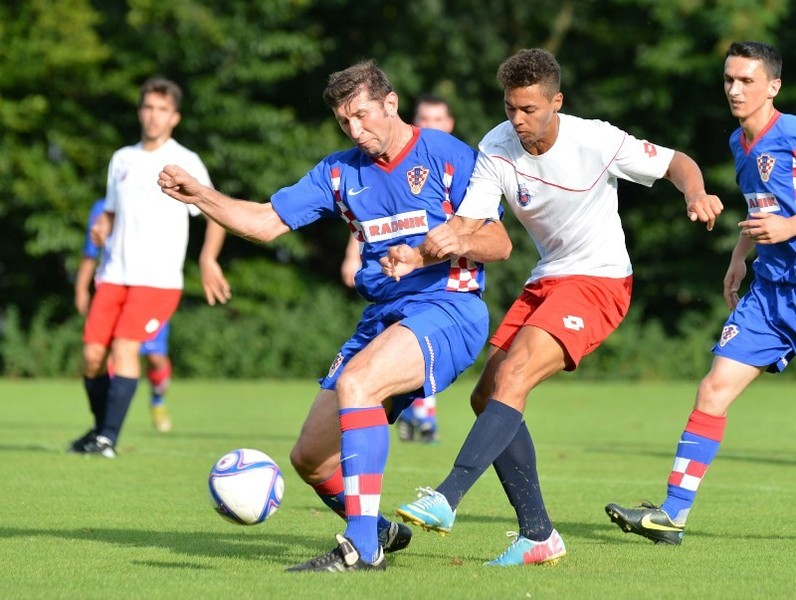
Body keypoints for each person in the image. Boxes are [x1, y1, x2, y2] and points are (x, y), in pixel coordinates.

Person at [157, 59, 512, 572]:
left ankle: (361, 548)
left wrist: (446, 245)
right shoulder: (340, 172)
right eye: (345, 121)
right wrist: (202, 196)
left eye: (363, 115)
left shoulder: (446, 155)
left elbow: (499, 242)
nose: (355, 130)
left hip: (449, 308)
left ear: (391, 103)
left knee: (358, 383)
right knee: (310, 458)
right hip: (384, 316)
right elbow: (265, 223)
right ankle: (379, 530)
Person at [391, 48, 723, 566]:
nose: (518, 120)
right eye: (510, 108)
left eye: (529, 109)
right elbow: (471, 223)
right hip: (547, 278)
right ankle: (538, 535)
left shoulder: (596, 139)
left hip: (600, 280)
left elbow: (676, 162)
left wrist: (695, 193)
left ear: (556, 102)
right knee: (487, 396)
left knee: (515, 374)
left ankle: (447, 496)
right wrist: (419, 252)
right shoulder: (496, 146)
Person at [605, 40, 793, 546]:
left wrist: (790, 226)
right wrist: (740, 256)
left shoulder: (792, 134)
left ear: (773, 86)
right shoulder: (739, 142)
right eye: (729, 79)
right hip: (770, 296)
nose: (735, 89)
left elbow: (783, 217)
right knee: (713, 390)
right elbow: (761, 207)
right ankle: (672, 515)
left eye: (747, 80)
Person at [68, 77, 230, 459]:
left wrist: (207, 259)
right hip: (114, 276)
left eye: (162, 109)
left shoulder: (186, 161)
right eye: (148, 107)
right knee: (92, 357)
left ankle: (107, 439)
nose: (154, 116)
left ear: (174, 117)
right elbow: (110, 212)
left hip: (157, 281)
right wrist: (102, 226)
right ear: (140, 112)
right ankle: (100, 432)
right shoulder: (122, 159)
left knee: (125, 348)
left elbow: (216, 212)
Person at [340, 94, 456, 444]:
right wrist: (352, 255)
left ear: (450, 124)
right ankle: (414, 415)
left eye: (438, 119)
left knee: (422, 344)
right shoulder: (390, 163)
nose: (431, 125)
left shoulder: (454, 162)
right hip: (392, 281)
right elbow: (368, 220)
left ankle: (420, 415)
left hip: (442, 284)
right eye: (425, 119)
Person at [75, 198, 174, 433]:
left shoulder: (158, 205)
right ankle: (107, 424)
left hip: (150, 290)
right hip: (113, 290)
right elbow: (91, 252)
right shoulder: (102, 208)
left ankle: (157, 400)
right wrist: (81, 289)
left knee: (156, 358)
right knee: (104, 357)